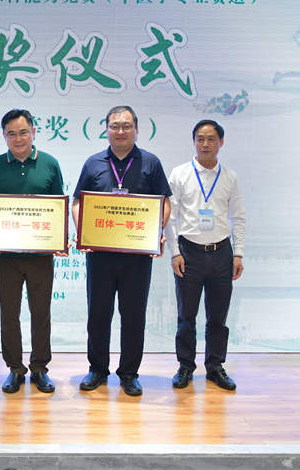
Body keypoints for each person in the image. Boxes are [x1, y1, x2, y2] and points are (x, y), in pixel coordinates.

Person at [71, 106, 172, 396]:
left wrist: (156, 231)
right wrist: (84, 231)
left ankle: (129, 373)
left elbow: (164, 202)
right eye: (114, 126)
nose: (120, 131)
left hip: (137, 256)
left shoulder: (151, 163)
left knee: (133, 315)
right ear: (106, 130)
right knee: (98, 314)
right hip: (100, 254)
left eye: (126, 125)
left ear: (136, 129)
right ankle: (97, 370)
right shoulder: (93, 163)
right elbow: (78, 202)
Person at [0, 108, 65, 394]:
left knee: (41, 313)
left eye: (23, 132)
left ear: (33, 132)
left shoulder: (50, 164)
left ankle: (40, 367)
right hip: (6, 256)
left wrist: (60, 240)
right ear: (4, 136)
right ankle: (15, 369)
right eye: (11, 134)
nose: (18, 138)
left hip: (41, 255)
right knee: (9, 314)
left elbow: (58, 207)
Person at [164, 119, 246, 391]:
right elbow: (170, 217)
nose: (205, 144)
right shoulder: (180, 174)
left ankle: (215, 366)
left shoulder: (230, 177)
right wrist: (175, 253)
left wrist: (238, 254)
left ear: (221, 142)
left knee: (218, 317)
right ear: (194, 142)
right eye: (200, 139)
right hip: (189, 253)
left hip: (222, 253)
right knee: (186, 316)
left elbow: (239, 217)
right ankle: (185, 366)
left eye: (211, 139)